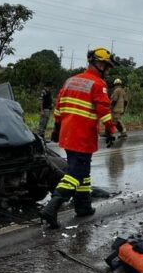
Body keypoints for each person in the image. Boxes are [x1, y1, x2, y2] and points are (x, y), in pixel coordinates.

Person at [40, 48, 117, 229]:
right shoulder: (98, 84)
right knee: (75, 174)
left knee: (83, 171)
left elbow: (59, 106)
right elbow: (104, 110)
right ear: (99, 64)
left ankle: (83, 206)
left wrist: (57, 128)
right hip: (83, 136)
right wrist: (111, 130)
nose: (108, 71)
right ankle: (52, 207)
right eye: (107, 67)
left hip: (68, 134)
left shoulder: (71, 81)